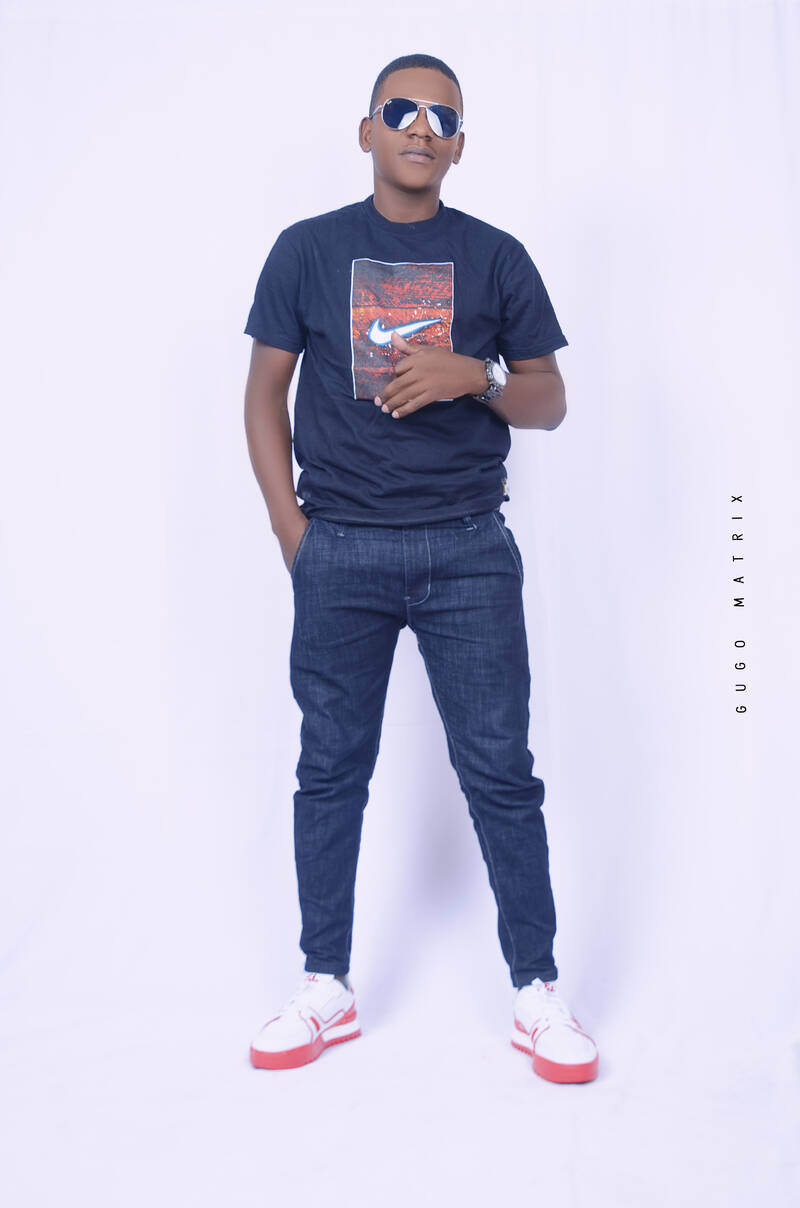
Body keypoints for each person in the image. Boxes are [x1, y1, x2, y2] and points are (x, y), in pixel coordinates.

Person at [242, 53, 598, 1084]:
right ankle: (326, 984)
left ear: (459, 146)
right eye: (400, 109)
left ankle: (536, 989)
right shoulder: (307, 250)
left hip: (466, 550)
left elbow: (548, 399)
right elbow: (262, 394)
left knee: (499, 772)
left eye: (442, 117)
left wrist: (472, 374)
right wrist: (292, 532)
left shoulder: (495, 258)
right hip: (340, 547)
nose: (419, 127)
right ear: (366, 131)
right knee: (329, 770)